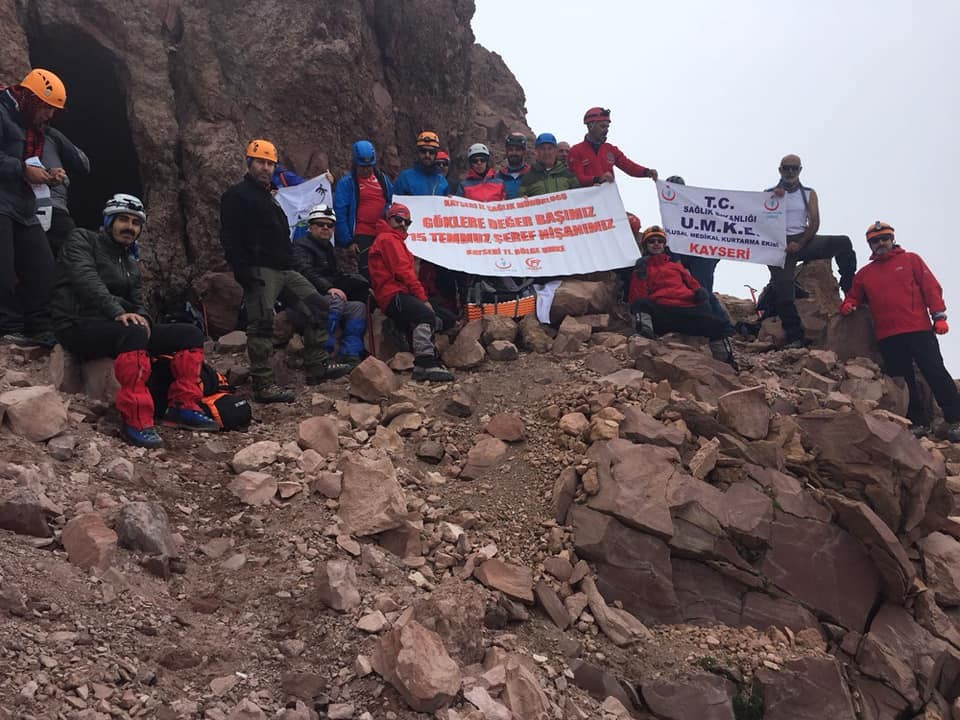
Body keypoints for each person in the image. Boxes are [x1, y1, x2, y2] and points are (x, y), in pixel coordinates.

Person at [50, 194, 219, 448]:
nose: (130, 227)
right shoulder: (82, 239)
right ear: (108, 221)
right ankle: (135, 418)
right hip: (76, 322)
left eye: (136, 223)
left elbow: (140, 302)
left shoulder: (129, 261)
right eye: (123, 220)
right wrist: (117, 312)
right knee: (134, 333)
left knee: (189, 334)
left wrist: (146, 320)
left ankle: (182, 405)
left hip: (115, 326)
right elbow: (86, 280)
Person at [220, 138, 353, 403]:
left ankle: (317, 364)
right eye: (260, 162)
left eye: (270, 164)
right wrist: (242, 270)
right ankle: (263, 384)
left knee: (318, 305)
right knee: (261, 324)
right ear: (249, 163)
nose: (265, 168)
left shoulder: (270, 197)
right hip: (260, 270)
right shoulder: (237, 195)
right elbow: (230, 236)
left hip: (284, 268)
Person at [840, 222, 960, 441]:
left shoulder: (911, 259)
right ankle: (918, 423)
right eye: (875, 241)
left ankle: (956, 419)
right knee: (903, 381)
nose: (880, 243)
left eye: (884, 238)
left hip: (918, 329)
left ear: (892, 239)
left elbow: (931, 288)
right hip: (888, 336)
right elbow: (853, 295)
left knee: (935, 372)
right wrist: (848, 304)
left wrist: (939, 316)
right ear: (870, 245)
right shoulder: (865, 274)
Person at [0, 68, 68, 347]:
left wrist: (48, 176)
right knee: (3, 267)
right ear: (30, 98)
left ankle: (40, 326)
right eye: (46, 107)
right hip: (2, 203)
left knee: (42, 265)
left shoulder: (30, 127)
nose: (49, 115)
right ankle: (8, 329)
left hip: (24, 205)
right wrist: (23, 170)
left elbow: (29, 164)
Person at [764, 153, 858, 347]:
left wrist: (800, 243)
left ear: (800, 170)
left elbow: (814, 222)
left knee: (843, 243)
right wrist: (781, 242)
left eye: (794, 168)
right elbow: (758, 221)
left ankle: (850, 289)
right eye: (786, 168)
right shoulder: (767, 193)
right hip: (778, 246)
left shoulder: (808, 193)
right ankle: (795, 335)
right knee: (783, 289)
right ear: (780, 170)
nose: (790, 171)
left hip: (803, 240)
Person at [368, 203, 454, 382]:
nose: (403, 224)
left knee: (446, 316)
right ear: (389, 219)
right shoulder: (388, 239)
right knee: (426, 315)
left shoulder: (395, 240)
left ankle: (404, 330)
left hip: (401, 294)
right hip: (393, 294)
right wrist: (423, 300)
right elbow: (403, 272)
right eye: (398, 219)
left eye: (407, 222)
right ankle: (425, 362)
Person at [628, 226, 736, 368]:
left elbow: (693, 284)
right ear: (645, 246)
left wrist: (699, 293)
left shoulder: (676, 266)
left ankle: (726, 362)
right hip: (663, 313)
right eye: (651, 241)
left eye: (660, 241)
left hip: (686, 310)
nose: (656, 244)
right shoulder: (642, 267)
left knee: (716, 324)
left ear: (664, 245)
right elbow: (636, 295)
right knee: (641, 304)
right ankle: (646, 338)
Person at [293, 204, 367, 364]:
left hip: (323, 296)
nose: (325, 228)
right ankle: (323, 352)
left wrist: (355, 282)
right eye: (320, 224)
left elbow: (333, 274)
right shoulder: (301, 245)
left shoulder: (328, 248)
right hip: (305, 298)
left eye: (330, 225)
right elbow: (304, 271)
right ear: (311, 227)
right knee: (336, 300)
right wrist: (328, 288)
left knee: (358, 307)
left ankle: (350, 353)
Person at [664, 175, 735, 336]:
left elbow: (714, 228)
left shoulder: (697, 206)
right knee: (687, 289)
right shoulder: (668, 210)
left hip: (703, 254)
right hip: (683, 253)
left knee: (702, 289)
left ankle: (721, 327)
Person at [333, 139, 392, 278]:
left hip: (382, 233)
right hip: (361, 235)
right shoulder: (347, 183)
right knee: (367, 273)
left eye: (369, 166)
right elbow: (340, 213)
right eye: (362, 167)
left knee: (386, 272)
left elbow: (392, 200)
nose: (366, 170)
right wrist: (348, 241)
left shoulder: (383, 179)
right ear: (355, 164)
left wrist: (387, 211)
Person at [567, 107, 657, 187]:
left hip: (608, 199)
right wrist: (598, 179)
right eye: (602, 126)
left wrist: (646, 172)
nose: (606, 130)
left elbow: (629, 166)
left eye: (607, 127)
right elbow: (578, 178)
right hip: (587, 201)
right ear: (590, 126)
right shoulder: (576, 151)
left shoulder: (611, 150)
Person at [40, 125, 89, 258]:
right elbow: (82, 162)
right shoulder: (47, 134)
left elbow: (83, 163)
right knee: (74, 259)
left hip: (52, 206)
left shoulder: (47, 135)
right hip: (49, 206)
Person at [393, 131, 449, 197]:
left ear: (436, 155)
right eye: (423, 151)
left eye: (431, 152)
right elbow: (394, 202)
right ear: (418, 153)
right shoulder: (405, 178)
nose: (427, 155)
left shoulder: (442, 181)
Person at [496, 132, 531, 200]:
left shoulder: (532, 174)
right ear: (506, 152)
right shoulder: (498, 177)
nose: (514, 153)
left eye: (518, 150)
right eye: (511, 150)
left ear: (524, 152)